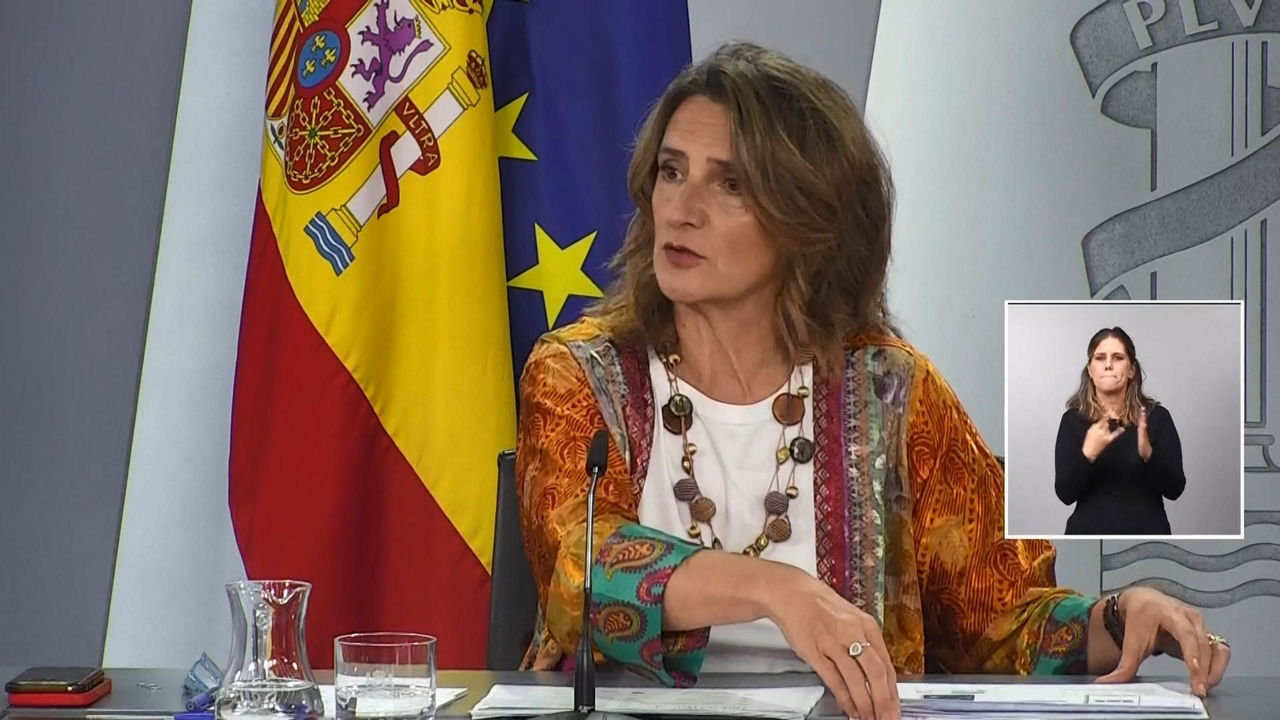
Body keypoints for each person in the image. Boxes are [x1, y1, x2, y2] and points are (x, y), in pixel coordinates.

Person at [514, 42, 1228, 720]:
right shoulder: (580, 373)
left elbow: (999, 620)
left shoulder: (892, 391)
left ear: (809, 222)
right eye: (671, 172)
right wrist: (779, 591)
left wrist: (1121, 615)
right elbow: (580, 569)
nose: (682, 208)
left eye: (730, 184)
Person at [1055, 327, 1186, 535]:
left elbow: (1175, 489)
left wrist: (1148, 455)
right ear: (1090, 370)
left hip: (1146, 539)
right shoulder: (1072, 421)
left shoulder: (1157, 418)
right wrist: (1088, 454)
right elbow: (1065, 494)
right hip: (1089, 538)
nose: (1108, 365)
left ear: (1132, 370)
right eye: (1100, 358)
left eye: (1117, 358)